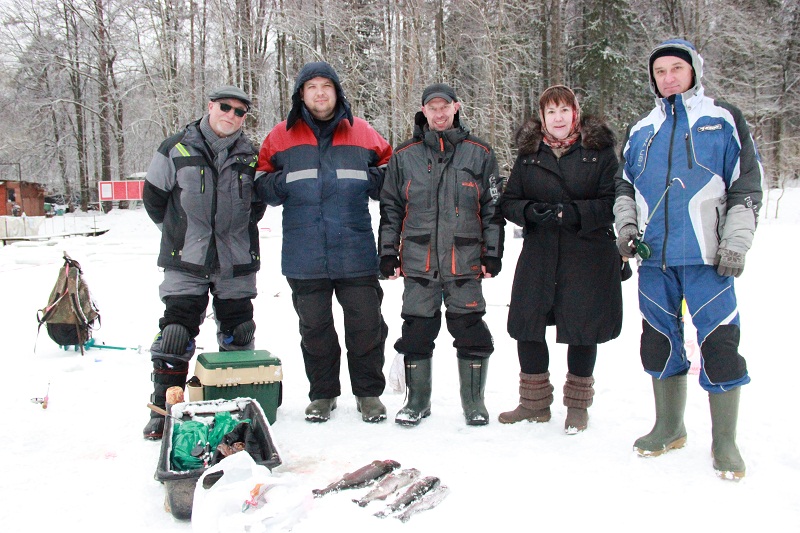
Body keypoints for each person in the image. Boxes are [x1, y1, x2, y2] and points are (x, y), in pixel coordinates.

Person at [615, 39, 763, 480]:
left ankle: (724, 441)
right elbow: (625, 187)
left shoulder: (723, 119)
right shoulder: (642, 128)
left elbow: (746, 187)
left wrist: (736, 242)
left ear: (694, 70)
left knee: (719, 345)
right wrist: (625, 230)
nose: (668, 78)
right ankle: (669, 425)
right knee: (658, 342)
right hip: (655, 260)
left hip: (707, 258)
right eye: (660, 71)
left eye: (676, 68)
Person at [254, 62, 392, 423]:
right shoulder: (280, 136)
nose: (319, 93)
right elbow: (261, 183)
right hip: (305, 255)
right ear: (301, 93)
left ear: (337, 92)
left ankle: (368, 394)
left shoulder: (361, 132)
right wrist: (284, 183)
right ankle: (323, 394)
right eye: (311, 86)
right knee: (315, 331)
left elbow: (391, 172)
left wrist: (371, 178)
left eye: (326, 86)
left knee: (366, 327)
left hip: (356, 251)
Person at [497, 85, 623, 434]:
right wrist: (529, 212)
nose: (558, 118)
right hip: (540, 252)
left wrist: (574, 214)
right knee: (528, 324)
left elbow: (614, 200)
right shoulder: (529, 155)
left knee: (583, 328)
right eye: (551, 112)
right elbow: (509, 201)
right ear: (542, 117)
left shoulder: (600, 152)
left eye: (564, 110)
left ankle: (577, 407)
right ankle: (533, 404)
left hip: (587, 253)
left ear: (575, 114)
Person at [141, 85, 265, 440]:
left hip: (236, 260)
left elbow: (256, 206)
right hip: (187, 260)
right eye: (225, 107)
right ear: (211, 106)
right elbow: (154, 199)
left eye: (240, 111)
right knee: (174, 337)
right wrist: (182, 235)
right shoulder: (175, 147)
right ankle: (164, 410)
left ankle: (236, 409)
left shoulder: (252, 156)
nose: (231, 115)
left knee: (239, 334)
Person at [379, 83, 505, 427]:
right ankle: (417, 401)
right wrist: (388, 252)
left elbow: (493, 208)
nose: (438, 113)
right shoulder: (404, 156)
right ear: (423, 111)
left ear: (456, 107)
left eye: (444, 106)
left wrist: (492, 253)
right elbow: (390, 208)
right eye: (431, 107)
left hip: (464, 261)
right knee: (417, 332)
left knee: (471, 331)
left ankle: (474, 403)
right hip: (419, 261)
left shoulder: (479, 153)